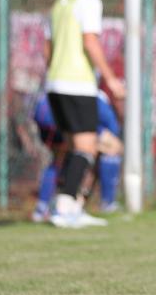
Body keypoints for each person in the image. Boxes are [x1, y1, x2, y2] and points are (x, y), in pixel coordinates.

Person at [44, 0, 125, 228]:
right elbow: (90, 41)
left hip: (55, 84)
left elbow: (48, 47)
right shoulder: (89, 1)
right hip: (77, 84)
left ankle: (68, 204)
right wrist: (111, 79)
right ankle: (66, 206)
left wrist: (53, 72)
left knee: (73, 147)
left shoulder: (59, 3)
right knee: (86, 147)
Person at [31, 88, 124, 222]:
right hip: (67, 114)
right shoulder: (94, 93)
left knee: (60, 159)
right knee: (112, 148)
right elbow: (112, 126)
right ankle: (106, 203)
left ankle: (42, 208)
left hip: (47, 117)